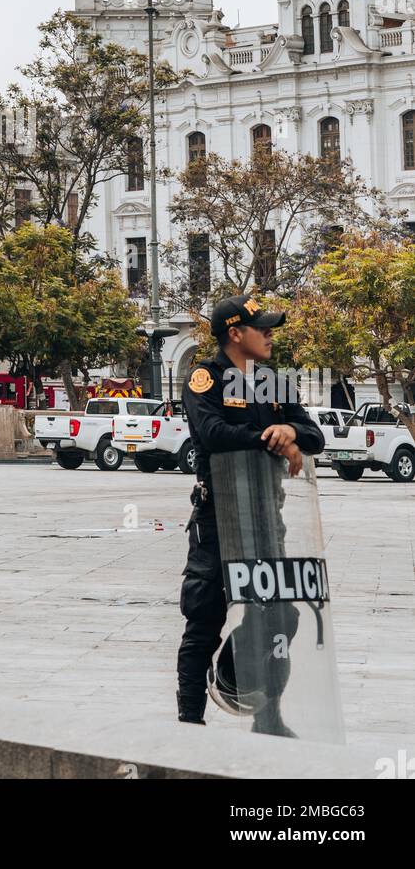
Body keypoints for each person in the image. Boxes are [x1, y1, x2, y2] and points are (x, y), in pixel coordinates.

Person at [176, 294, 325, 729]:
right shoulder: (206, 377)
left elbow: (314, 436)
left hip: (265, 517)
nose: (270, 334)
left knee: (281, 613)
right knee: (205, 616)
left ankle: (267, 715)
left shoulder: (273, 380)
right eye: (262, 328)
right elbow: (212, 432)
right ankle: (189, 722)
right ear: (235, 334)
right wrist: (273, 437)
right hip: (219, 517)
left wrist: (291, 429)